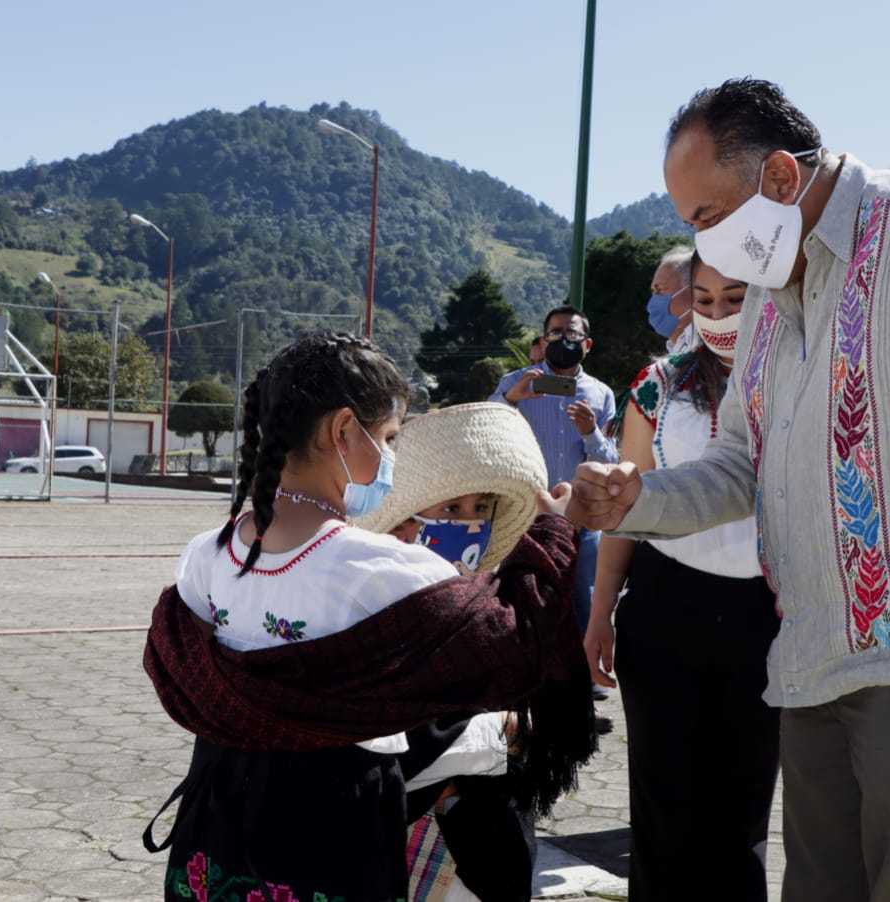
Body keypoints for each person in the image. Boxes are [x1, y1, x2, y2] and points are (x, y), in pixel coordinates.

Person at [568, 77, 890, 902]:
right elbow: (742, 462)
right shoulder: (774, 298)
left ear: (779, 177)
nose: (704, 243)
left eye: (706, 217)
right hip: (809, 670)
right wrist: (640, 499)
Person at [142, 332, 592, 902]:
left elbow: (178, 665)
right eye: (389, 438)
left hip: (223, 814)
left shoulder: (206, 555)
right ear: (344, 431)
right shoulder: (383, 569)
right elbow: (517, 644)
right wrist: (552, 532)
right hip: (331, 825)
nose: (393, 458)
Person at [586, 254, 779, 900]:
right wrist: (599, 611)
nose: (721, 315)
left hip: (765, 617)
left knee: (743, 818)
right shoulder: (657, 386)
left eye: (735, 297)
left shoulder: (799, 376)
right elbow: (625, 508)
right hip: (666, 607)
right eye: (704, 299)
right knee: (664, 814)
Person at [361, 401, 568, 902]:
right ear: (405, 525)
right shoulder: (379, 609)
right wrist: (505, 733)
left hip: (493, 837)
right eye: (451, 509)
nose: (470, 523)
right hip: (411, 834)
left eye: (481, 509)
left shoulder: (489, 597)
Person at [490, 305, 619, 698]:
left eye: (572, 334)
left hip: (582, 516)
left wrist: (591, 432)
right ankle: (526, 678)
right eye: (556, 332)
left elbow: (610, 462)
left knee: (584, 599)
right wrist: (511, 400)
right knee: (523, 596)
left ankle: (583, 679)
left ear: (587, 343)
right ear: (543, 339)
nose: (564, 339)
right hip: (525, 516)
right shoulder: (515, 382)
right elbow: (485, 432)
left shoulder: (601, 394)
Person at [646, 244, 697, 354]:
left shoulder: (713, 353)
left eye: (660, 289)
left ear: (694, 291)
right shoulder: (677, 349)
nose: (653, 302)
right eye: (653, 292)